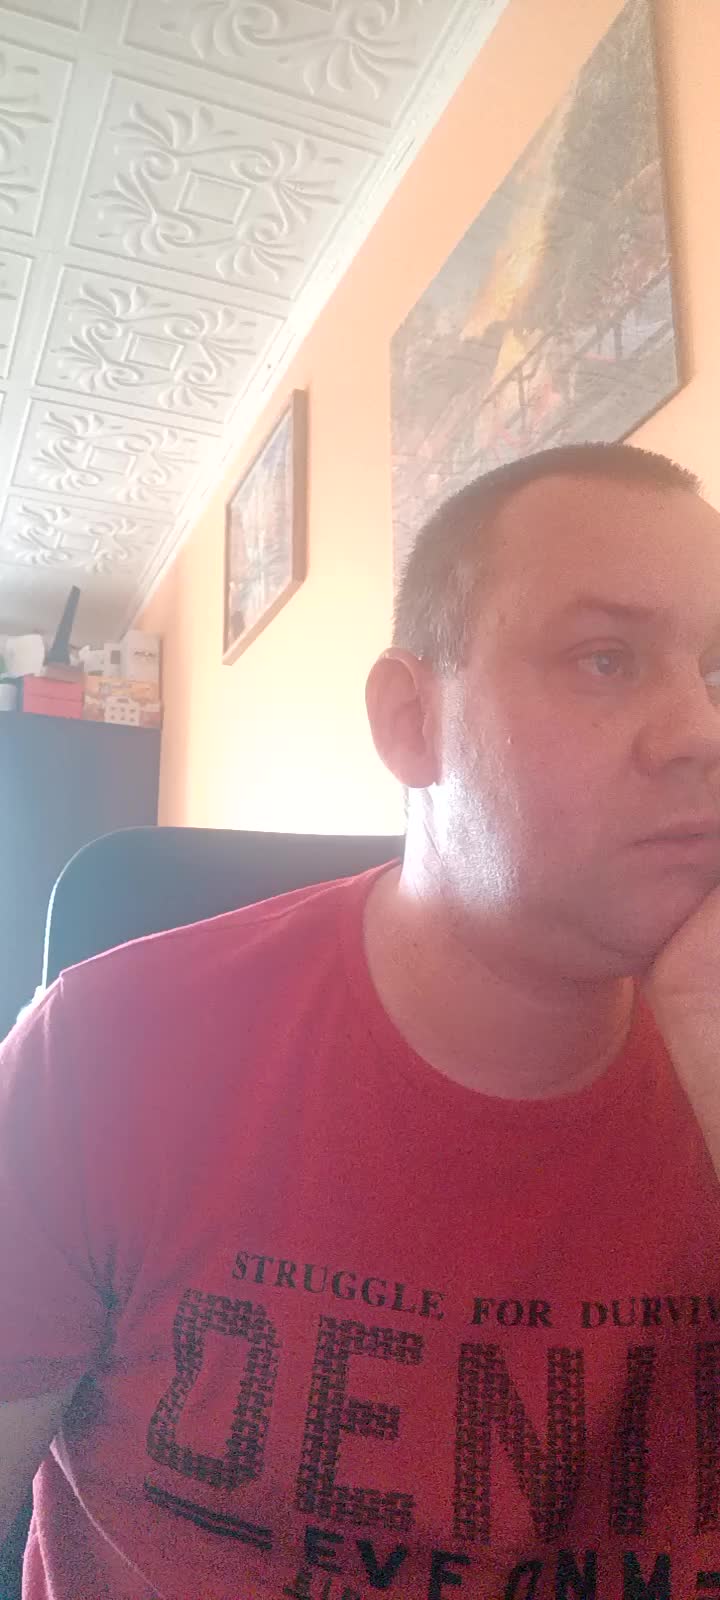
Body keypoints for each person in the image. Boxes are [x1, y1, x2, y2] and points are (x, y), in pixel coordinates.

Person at [3, 441, 720, 1600]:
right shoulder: (106, 1051)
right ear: (410, 720)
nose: (701, 731)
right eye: (606, 659)